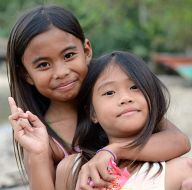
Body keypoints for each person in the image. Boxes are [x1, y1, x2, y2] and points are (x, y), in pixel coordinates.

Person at [7, 5, 190, 190]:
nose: (61, 72)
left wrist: (114, 151)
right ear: (26, 74)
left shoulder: (115, 98)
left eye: (69, 55)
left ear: (86, 51)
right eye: (43, 65)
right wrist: (38, 154)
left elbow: (179, 142)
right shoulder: (41, 138)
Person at [55, 51, 192, 190]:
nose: (125, 98)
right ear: (92, 113)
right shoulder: (71, 169)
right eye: (109, 92)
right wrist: (38, 155)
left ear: (153, 98)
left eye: (135, 87)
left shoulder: (178, 171)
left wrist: (113, 150)